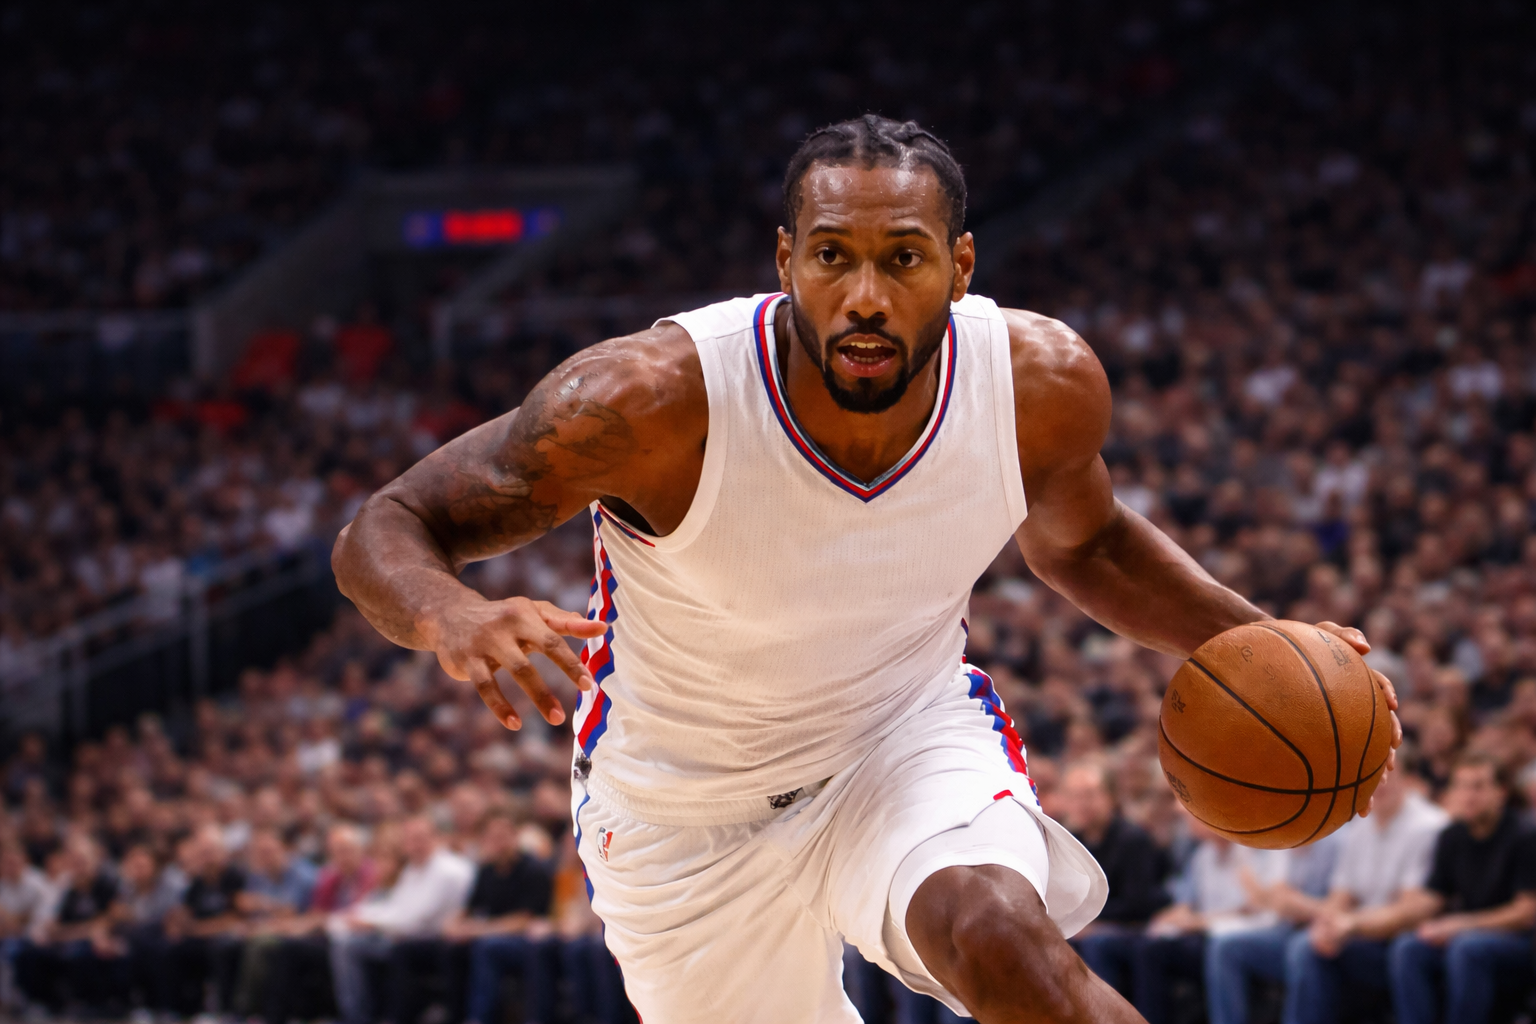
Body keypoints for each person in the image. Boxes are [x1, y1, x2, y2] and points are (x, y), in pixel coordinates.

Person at [333, 114, 1399, 1023]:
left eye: (904, 256)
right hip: (680, 811)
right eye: (834, 256)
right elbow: (388, 524)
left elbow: (1088, 542)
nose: (866, 295)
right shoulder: (645, 403)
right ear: (786, 259)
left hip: (899, 738)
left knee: (996, 931)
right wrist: (450, 617)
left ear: (961, 264)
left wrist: (1271, 648)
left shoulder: (1039, 385)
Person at [1283, 759, 1448, 1024]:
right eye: (1371, 777)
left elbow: (1409, 912)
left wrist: (1350, 924)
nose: (1380, 784)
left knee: (1401, 951)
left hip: (1403, 942)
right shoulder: (1360, 825)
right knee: (1309, 945)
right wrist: (1328, 925)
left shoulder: (1429, 826)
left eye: (1387, 774)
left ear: (1406, 778)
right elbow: (1342, 894)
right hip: (1364, 934)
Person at [1386, 753, 1536, 1024]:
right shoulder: (1451, 836)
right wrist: (1392, 915)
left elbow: (1526, 913)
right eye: (1461, 786)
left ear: (1501, 792)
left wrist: (1459, 925)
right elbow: (1433, 897)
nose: (1468, 795)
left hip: (1520, 942)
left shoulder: (1525, 835)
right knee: (1408, 946)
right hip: (1467, 936)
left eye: (1478, 786)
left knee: (1466, 948)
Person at [1131, 813, 1290, 1024]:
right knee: (1149, 948)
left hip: (1241, 931)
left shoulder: (1252, 852)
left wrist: (1199, 921)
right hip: (1206, 931)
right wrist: (1169, 919)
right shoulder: (1202, 856)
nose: (1189, 821)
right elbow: (1186, 903)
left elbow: (1254, 908)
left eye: (1195, 816)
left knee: (1222, 946)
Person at [327, 814, 473, 1024]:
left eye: (420, 838)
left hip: (432, 940)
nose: (414, 845)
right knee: (342, 937)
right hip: (406, 935)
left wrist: (371, 923)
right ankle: (359, 1013)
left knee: (348, 945)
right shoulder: (415, 868)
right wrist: (360, 916)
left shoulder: (448, 871)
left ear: (436, 837)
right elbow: (397, 906)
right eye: (410, 839)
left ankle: (357, 1016)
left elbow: (416, 919)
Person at [1202, 826, 1342, 1024]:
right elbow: (1277, 898)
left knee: (1302, 947)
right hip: (1285, 928)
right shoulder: (1282, 833)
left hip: (1323, 930)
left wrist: (1292, 902)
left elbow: (1339, 907)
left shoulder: (1336, 839)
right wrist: (1281, 900)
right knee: (1224, 947)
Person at [1058, 759, 1170, 997]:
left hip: (1133, 928)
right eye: (1074, 796)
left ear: (1110, 797)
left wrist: (1090, 924)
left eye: (1089, 795)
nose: (1081, 804)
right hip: (1089, 928)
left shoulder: (1133, 839)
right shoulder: (1069, 842)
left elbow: (1137, 905)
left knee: (1096, 943)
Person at [451, 813, 557, 1024]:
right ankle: (452, 1014)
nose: (498, 843)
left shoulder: (533, 869)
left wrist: (479, 930)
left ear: (515, 837)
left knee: (486, 947)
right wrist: (453, 925)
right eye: (492, 837)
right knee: (451, 949)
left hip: (531, 939)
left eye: (503, 836)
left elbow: (525, 919)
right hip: (495, 936)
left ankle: (480, 1017)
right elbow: (467, 910)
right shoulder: (486, 871)